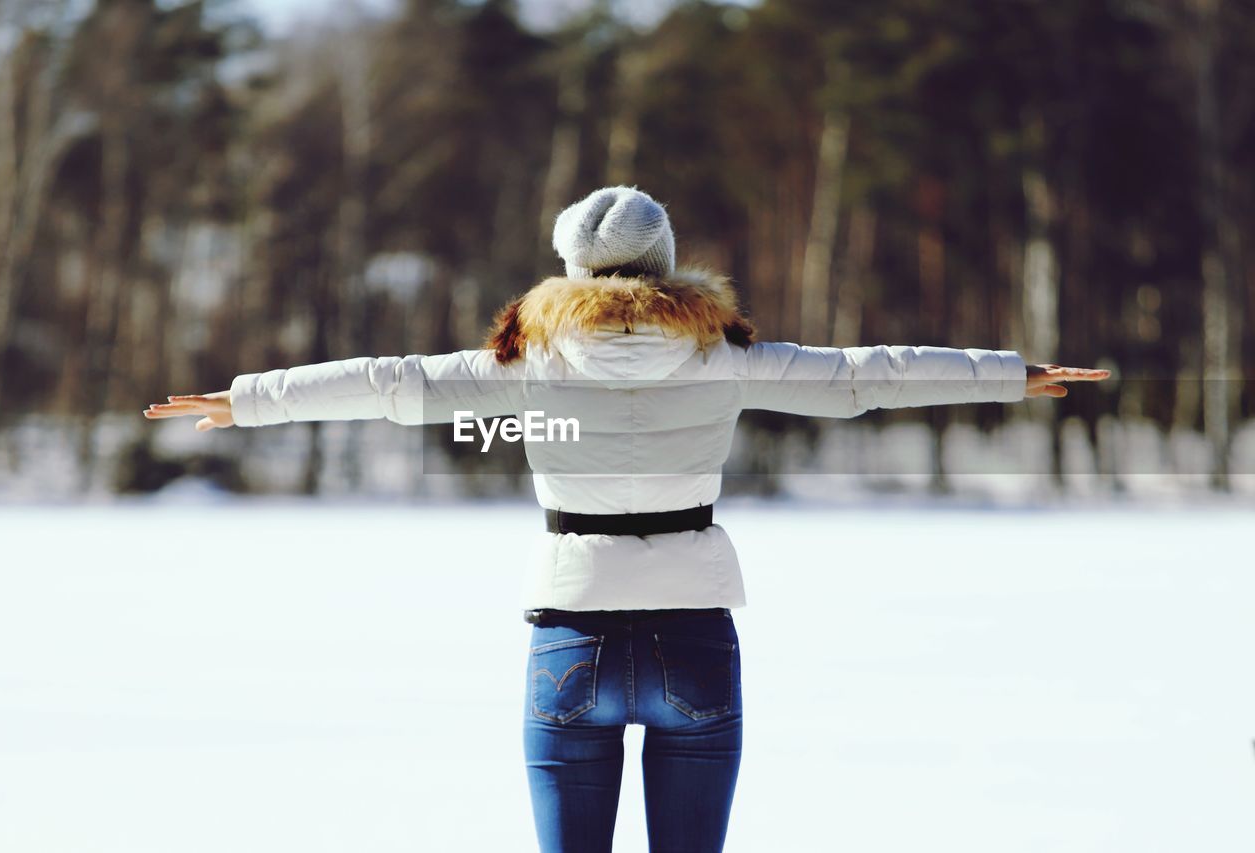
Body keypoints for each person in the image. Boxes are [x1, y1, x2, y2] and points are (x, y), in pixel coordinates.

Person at [143, 185, 1109, 852]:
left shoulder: (523, 367)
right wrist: (1010, 375)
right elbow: (865, 377)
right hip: (696, 637)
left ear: (570, 266)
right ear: (666, 264)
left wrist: (246, 399)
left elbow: (389, 385)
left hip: (570, 639)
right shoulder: (724, 357)